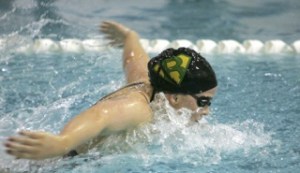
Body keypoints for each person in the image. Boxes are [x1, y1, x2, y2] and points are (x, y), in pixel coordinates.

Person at [4, 21, 218, 160]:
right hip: (57, 164)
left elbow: (134, 61)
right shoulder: (138, 108)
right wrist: (63, 142)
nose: (207, 111)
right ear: (175, 97)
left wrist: (129, 38)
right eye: (203, 102)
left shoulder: (151, 83)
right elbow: (101, 116)